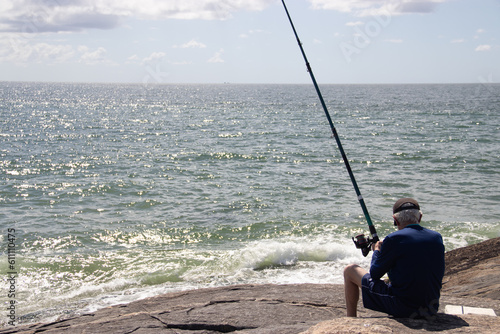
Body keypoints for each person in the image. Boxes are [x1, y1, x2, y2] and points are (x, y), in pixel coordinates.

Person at [343, 198, 445, 318]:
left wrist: (376, 251)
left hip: (403, 308)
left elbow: (375, 273)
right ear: (420, 217)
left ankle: (350, 318)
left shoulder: (393, 239)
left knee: (350, 270)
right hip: (430, 308)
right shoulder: (436, 237)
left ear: (395, 220)